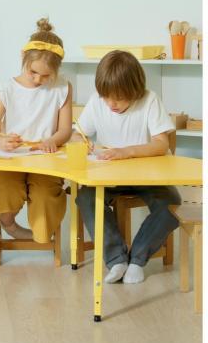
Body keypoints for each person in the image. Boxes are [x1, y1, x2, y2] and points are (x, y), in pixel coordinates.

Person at [74, 49, 180, 284]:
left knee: (171, 203)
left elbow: (162, 144)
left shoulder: (149, 100)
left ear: (135, 90)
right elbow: (77, 134)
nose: (112, 103)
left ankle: (137, 259)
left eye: (119, 98)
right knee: (86, 197)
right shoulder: (97, 101)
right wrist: (83, 142)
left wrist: (126, 152)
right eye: (107, 96)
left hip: (148, 177)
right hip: (109, 177)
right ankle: (116, 260)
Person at [0, 18, 72, 242]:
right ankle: (10, 226)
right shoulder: (7, 88)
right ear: (23, 58)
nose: (38, 79)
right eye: (33, 72)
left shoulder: (62, 87)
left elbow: (65, 130)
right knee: (6, 192)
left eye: (46, 76)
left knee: (44, 196)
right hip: (14, 157)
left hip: (46, 158)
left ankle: (42, 234)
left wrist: (53, 139)